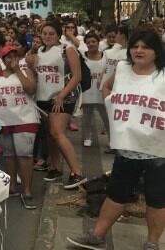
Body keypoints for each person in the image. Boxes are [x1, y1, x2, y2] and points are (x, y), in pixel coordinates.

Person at [67, 29, 165, 250]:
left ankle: (152, 243)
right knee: (115, 195)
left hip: (158, 151)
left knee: (157, 201)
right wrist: (112, 106)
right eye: (135, 46)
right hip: (127, 148)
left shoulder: (163, 75)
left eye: (145, 47)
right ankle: (97, 236)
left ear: (156, 51)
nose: (139, 50)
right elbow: (107, 86)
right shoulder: (122, 68)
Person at [26, 22, 86, 189]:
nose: (47, 36)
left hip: (62, 96)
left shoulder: (67, 49)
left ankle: (77, 172)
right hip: (43, 97)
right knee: (50, 135)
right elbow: (37, 75)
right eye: (44, 33)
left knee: (57, 132)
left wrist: (61, 95)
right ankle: (56, 167)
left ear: (58, 34)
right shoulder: (39, 51)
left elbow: (77, 76)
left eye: (51, 33)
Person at [0, 45, 39, 209]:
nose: (11, 59)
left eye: (15, 56)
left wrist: (18, 71)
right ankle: (12, 186)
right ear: (3, 59)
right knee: (9, 154)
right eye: (8, 57)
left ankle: (27, 191)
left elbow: (31, 89)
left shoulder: (26, 71)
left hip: (25, 119)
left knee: (25, 154)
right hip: (3, 121)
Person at [81, 32, 108, 148]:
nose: (91, 44)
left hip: (103, 92)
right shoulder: (82, 57)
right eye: (88, 42)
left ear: (98, 42)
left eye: (93, 41)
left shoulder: (107, 55)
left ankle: (112, 140)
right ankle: (87, 137)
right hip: (87, 92)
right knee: (87, 117)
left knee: (106, 118)